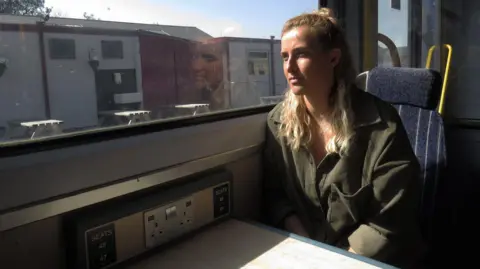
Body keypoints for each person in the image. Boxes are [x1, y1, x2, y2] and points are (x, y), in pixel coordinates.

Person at [262, 8, 426, 268]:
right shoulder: (277, 122)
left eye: (301, 54)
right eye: (284, 57)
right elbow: (275, 196)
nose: (289, 67)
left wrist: (338, 261)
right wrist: (305, 246)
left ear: (333, 58)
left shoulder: (382, 127)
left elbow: (389, 221)